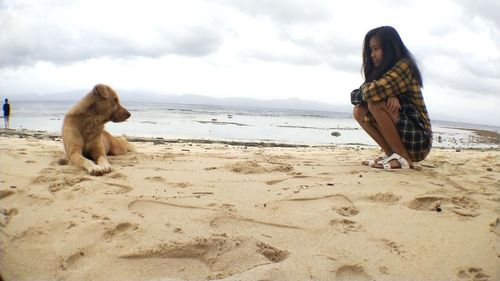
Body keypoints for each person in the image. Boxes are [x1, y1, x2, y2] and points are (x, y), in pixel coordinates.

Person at [351, 26, 432, 169]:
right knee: (359, 110)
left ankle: (403, 158)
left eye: (376, 49)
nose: (372, 55)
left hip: (419, 139)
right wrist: (388, 94)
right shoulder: (382, 71)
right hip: (404, 134)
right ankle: (392, 154)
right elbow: (354, 96)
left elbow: (370, 93)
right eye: (371, 50)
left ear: (389, 48)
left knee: (375, 103)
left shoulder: (404, 65)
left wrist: (383, 93)